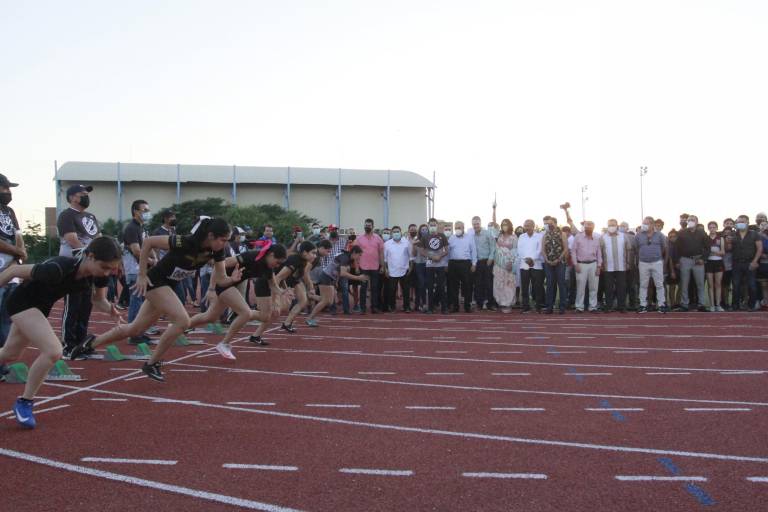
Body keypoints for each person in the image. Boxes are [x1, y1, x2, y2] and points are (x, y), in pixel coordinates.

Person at [70, 218, 231, 381]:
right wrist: (141, 274)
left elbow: (222, 276)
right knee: (182, 321)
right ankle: (152, 363)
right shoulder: (183, 242)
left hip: (167, 287)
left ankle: (90, 343)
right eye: (223, 240)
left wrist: (218, 287)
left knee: (135, 330)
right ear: (210, 235)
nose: (225, 244)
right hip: (154, 282)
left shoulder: (217, 251)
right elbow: (148, 242)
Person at [0, 237, 122, 428]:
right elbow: (14, 270)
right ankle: (24, 402)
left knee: (10, 354)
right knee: (53, 351)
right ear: (90, 256)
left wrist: (110, 310)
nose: (107, 272)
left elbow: (98, 300)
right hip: (21, 303)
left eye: (111, 269)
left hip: (40, 309)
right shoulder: (58, 268)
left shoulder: (97, 276)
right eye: (104, 267)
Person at [188, 243, 288, 358]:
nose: (277, 265)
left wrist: (282, 292)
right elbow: (219, 265)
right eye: (278, 262)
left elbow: (273, 286)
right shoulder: (250, 256)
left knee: (210, 317)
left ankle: (181, 326)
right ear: (271, 254)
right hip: (222, 283)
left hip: (232, 284)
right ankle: (224, 344)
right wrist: (211, 288)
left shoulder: (268, 268)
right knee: (245, 312)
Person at [57, 184, 100, 358]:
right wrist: (92, 256)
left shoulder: (90, 216)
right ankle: (68, 345)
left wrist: (100, 256)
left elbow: (98, 238)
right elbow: (72, 240)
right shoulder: (66, 215)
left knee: (86, 305)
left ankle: (81, 343)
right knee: (73, 306)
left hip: (89, 267)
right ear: (73, 197)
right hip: (73, 266)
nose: (85, 196)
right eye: (82, 194)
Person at [122, 200, 157, 344]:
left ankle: (139, 331)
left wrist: (155, 259)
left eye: (148, 209)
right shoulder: (131, 228)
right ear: (136, 211)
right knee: (136, 301)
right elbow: (136, 250)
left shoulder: (143, 228)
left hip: (142, 269)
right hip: (134, 269)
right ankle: (133, 333)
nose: (147, 212)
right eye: (144, 210)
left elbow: (150, 245)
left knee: (142, 301)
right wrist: (151, 261)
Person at [307, 246, 368, 326]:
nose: (360, 257)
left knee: (329, 301)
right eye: (359, 255)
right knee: (325, 301)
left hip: (331, 278)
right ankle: (310, 318)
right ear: (354, 253)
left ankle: (310, 296)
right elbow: (343, 273)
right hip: (326, 277)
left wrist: (336, 281)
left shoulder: (348, 258)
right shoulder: (345, 258)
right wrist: (358, 278)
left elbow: (338, 271)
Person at [0, 173, 26, 358]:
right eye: (5, 188)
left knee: (8, 318)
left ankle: (4, 360)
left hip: (11, 271)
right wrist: (16, 251)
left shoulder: (9, 211)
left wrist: (21, 251)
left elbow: (18, 235)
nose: (8, 192)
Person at [275, 241, 320, 331]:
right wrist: (281, 291)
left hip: (293, 280)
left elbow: (304, 275)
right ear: (304, 252)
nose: (315, 256)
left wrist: (310, 288)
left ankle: (287, 323)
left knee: (303, 301)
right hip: (277, 281)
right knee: (278, 309)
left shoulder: (305, 261)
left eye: (316, 253)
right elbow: (278, 277)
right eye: (313, 253)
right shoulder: (295, 260)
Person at [727, 215, 763, 311]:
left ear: (747, 222)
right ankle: (735, 306)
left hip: (750, 262)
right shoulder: (733, 235)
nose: (740, 223)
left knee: (752, 285)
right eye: (739, 222)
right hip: (736, 263)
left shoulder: (754, 234)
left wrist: (755, 261)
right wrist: (728, 242)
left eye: (743, 221)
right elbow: (729, 249)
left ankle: (752, 305)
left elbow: (759, 249)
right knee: (736, 285)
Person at [674, 214, 709, 312]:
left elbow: (707, 247)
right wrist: (677, 260)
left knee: (700, 283)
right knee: (684, 283)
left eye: (693, 220)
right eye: (689, 220)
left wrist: (703, 258)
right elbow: (676, 248)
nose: (690, 221)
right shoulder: (681, 233)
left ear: (697, 222)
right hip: (685, 260)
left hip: (698, 260)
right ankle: (684, 304)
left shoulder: (702, 233)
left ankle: (701, 304)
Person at [635, 217, 670, 313]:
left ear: (652, 224)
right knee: (643, 284)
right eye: (643, 223)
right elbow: (636, 248)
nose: (644, 225)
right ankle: (643, 305)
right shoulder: (638, 235)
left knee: (659, 284)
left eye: (646, 223)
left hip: (657, 262)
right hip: (643, 263)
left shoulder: (660, 235)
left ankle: (661, 305)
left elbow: (664, 247)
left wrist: (657, 256)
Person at [417, 219, 449, 314]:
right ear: (428, 226)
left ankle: (444, 308)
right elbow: (422, 251)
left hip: (440, 264)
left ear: (437, 225)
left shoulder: (442, 236)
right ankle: (430, 308)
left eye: (434, 225)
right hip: (430, 265)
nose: (432, 227)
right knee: (430, 287)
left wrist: (439, 256)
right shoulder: (425, 237)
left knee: (441, 286)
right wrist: (431, 256)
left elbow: (447, 250)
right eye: (431, 225)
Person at [354, 218, 384, 314]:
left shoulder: (378, 238)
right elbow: (355, 254)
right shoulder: (359, 239)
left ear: (373, 226)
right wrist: (357, 267)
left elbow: (381, 253)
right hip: (363, 267)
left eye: (369, 225)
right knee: (363, 288)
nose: (367, 227)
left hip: (375, 267)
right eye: (366, 225)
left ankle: (374, 307)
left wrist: (382, 266)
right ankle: (362, 308)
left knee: (375, 288)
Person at [571, 221, 602, 313]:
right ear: (584, 227)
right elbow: (573, 251)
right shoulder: (578, 237)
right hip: (581, 264)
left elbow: (599, 253)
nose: (588, 228)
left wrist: (599, 266)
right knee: (580, 287)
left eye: (590, 226)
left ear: (593, 227)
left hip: (593, 264)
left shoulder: (596, 238)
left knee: (594, 287)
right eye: (586, 226)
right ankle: (579, 307)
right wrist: (575, 264)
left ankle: (593, 307)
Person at [600, 219, 630, 313]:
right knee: (608, 287)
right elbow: (599, 252)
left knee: (622, 287)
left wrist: (628, 262)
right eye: (609, 225)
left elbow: (628, 250)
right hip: (608, 267)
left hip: (621, 266)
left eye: (613, 225)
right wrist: (601, 264)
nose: (611, 227)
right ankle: (609, 306)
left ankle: (622, 306)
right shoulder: (603, 237)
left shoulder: (623, 236)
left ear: (617, 226)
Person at [447, 221, 477, 313]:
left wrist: (474, 264)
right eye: (456, 228)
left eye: (459, 227)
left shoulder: (469, 237)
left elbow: (474, 251)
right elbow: (447, 252)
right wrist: (446, 264)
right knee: (453, 286)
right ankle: (455, 306)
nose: (458, 229)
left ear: (463, 228)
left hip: (466, 264)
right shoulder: (451, 238)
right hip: (453, 263)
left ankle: (467, 306)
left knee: (467, 285)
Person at [541, 216, 569, 314]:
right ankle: (549, 307)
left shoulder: (562, 233)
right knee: (549, 285)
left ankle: (562, 307)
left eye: (550, 223)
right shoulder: (545, 235)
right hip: (548, 263)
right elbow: (542, 250)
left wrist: (558, 259)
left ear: (555, 223)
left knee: (561, 284)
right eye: (547, 224)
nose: (548, 225)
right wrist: (547, 260)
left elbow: (566, 248)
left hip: (560, 263)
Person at [517, 219, 544, 313]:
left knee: (537, 286)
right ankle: (525, 306)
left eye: (529, 225)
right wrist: (526, 259)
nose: (527, 227)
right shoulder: (521, 236)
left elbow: (540, 250)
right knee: (524, 286)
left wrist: (532, 259)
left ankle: (538, 306)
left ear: (533, 226)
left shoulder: (539, 236)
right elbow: (519, 250)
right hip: (524, 265)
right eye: (526, 225)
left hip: (536, 264)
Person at [384, 226, 413, 312]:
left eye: (398, 231)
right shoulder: (387, 244)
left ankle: (406, 307)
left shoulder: (406, 243)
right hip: (392, 271)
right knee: (392, 290)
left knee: (406, 290)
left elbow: (411, 256)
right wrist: (386, 269)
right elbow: (385, 259)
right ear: (392, 233)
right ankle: (392, 307)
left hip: (404, 270)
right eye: (394, 232)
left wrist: (411, 267)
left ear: (400, 232)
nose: (396, 233)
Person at [471, 216, 497, 311]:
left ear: (480, 223)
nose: (476, 226)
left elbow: (493, 247)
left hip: (487, 261)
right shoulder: (471, 235)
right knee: (478, 284)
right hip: (476, 262)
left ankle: (490, 304)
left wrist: (490, 258)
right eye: (474, 224)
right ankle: (479, 303)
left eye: (477, 224)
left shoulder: (487, 233)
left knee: (489, 283)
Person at [493, 219, 518, 313]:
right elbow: (496, 249)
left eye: (506, 224)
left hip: (508, 264)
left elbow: (515, 251)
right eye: (503, 224)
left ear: (510, 225)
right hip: (498, 264)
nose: (504, 226)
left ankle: (508, 303)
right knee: (499, 284)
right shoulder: (499, 236)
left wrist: (511, 262)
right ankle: (501, 302)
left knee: (509, 284)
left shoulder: (514, 237)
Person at [705, 221, 725, 312]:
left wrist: (714, 252)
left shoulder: (720, 238)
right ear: (708, 228)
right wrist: (710, 252)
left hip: (718, 262)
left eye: (714, 227)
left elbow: (723, 252)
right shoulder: (706, 238)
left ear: (717, 228)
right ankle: (712, 305)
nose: (712, 229)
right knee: (710, 285)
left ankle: (718, 304)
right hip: (709, 263)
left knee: (718, 284)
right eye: (710, 227)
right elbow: (705, 252)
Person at [410, 224, 428, 312]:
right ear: (420, 231)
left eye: (426, 229)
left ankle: (427, 303)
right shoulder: (416, 240)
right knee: (421, 284)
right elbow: (413, 254)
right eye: (422, 229)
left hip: (429, 264)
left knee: (427, 284)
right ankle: (421, 304)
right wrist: (414, 245)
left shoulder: (431, 240)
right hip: (418, 264)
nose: (424, 231)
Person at [721, 218, 736, 310]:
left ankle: (735, 303)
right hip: (722, 265)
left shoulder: (737, 236)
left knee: (736, 285)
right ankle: (724, 302)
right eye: (727, 223)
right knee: (724, 285)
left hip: (735, 265)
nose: (729, 225)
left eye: (731, 223)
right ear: (723, 224)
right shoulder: (719, 237)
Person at [758, 220, 768, 309]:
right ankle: (765, 302)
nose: (764, 226)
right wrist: (761, 254)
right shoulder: (757, 236)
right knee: (764, 285)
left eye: (766, 224)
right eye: (762, 225)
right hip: (763, 264)